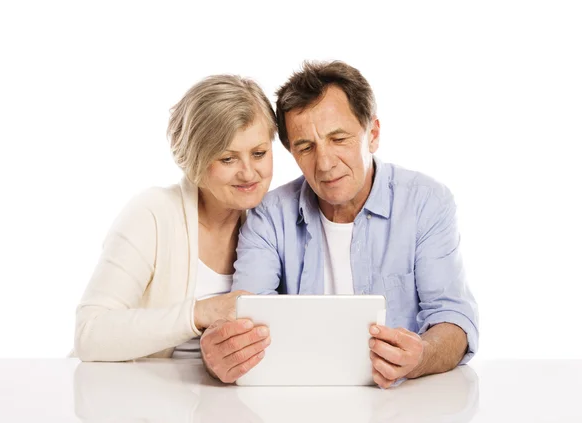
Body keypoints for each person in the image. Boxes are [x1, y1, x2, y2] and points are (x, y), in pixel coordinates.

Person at [201, 61, 479, 388]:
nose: (325, 163)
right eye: (306, 147)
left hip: (401, 404)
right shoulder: (269, 215)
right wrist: (224, 350)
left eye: (339, 139)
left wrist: (421, 355)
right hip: (299, 398)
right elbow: (246, 314)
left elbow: (454, 320)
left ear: (372, 134)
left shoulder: (426, 202)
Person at [72, 75, 274, 365]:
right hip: (136, 399)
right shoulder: (153, 214)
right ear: (195, 159)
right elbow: (89, 334)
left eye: (259, 153)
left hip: (228, 404)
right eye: (228, 159)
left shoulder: (275, 222)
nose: (248, 172)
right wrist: (200, 313)